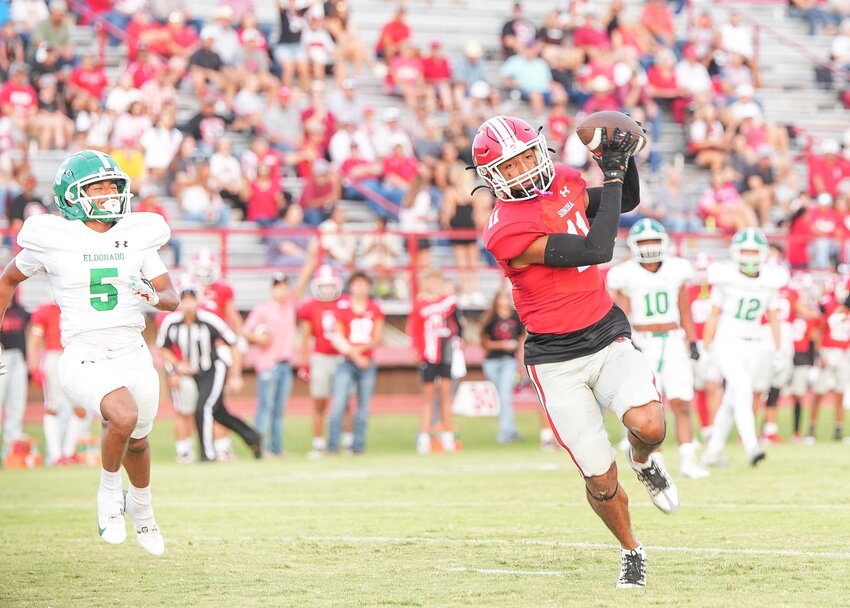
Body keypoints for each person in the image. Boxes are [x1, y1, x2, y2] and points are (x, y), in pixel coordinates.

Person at [476, 114, 669, 588]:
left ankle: (643, 461)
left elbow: (626, 201)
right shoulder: (504, 230)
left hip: (604, 330)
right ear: (491, 177)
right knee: (600, 480)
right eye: (509, 163)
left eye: (525, 155)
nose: (522, 168)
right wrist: (614, 167)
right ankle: (631, 549)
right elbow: (596, 247)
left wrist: (621, 161)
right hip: (555, 358)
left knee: (650, 425)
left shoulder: (564, 179)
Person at [0, 149, 179, 555]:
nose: (108, 194)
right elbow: (7, 280)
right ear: (70, 196)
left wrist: (154, 294)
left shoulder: (136, 235)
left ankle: (143, 512)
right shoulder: (53, 239)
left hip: (132, 351)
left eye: (113, 186)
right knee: (123, 414)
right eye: (96, 187)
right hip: (84, 352)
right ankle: (108, 495)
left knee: (137, 439)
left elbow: (172, 296)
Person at [606, 219, 710, 480]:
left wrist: (692, 341)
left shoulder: (676, 270)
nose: (650, 247)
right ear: (633, 246)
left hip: (673, 339)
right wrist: (626, 342)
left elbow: (683, 307)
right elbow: (621, 313)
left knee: (682, 401)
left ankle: (688, 459)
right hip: (643, 341)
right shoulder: (626, 273)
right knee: (653, 407)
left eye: (653, 241)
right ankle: (658, 461)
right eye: (644, 242)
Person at [701, 228, 787, 468]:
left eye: (753, 251)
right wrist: (707, 350)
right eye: (745, 251)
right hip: (727, 341)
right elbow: (714, 315)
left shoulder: (770, 279)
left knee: (732, 398)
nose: (749, 256)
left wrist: (778, 350)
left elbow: (773, 317)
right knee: (742, 387)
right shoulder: (724, 276)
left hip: (754, 343)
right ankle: (751, 447)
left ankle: (713, 452)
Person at [158, 287, 261, 462]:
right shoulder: (172, 323)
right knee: (219, 413)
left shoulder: (210, 320)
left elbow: (234, 343)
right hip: (193, 373)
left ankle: (207, 454)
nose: (188, 303)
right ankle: (252, 437)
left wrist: (236, 374)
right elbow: (162, 347)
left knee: (203, 408)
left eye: (191, 299)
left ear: (198, 301)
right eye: (185, 299)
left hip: (214, 369)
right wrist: (177, 365)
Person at [243, 248, 317, 457]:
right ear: (272, 289)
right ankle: (259, 447)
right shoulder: (263, 309)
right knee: (264, 408)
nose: (282, 291)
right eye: (278, 287)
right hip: (268, 363)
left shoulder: (289, 306)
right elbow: (246, 331)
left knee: (278, 410)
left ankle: (276, 447)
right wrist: (259, 338)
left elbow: (302, 282)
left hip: (285, 363)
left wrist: (310, 262)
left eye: (285, 287)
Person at [327, 272, 385, 454]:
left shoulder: (374, 308)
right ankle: (332, 446)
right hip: (346, 361)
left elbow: (378, 337)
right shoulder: (342, 307)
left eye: (363, 284)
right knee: (338, 404)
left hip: (367, 362)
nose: (360, 288)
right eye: (356, 284)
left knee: (363, 407)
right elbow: (337, 335)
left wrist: (360, 353)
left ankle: (358, 445)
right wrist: (355, 355)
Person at [28, 300, 91, 466]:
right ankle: (56, 456)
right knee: (53, 407)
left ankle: (68, 453)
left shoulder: (77, 306)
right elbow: (35, 341)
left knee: (80, 409)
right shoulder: (46, 311)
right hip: (54, 358)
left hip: (75, 357)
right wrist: (34, 368)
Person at [408, 270, 462, 455]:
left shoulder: (448, 301)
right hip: (428, 354)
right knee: (428, 397)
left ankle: (447, 437)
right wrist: (415, 349)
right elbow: (414, 328)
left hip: (446, 351)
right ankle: (424, 437)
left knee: (446, 395)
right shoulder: (420, 304)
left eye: (437, 281)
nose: (434, 285)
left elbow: (453, 302)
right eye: (430, 281)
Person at [297, 265, 347, 458]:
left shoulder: (344, 304)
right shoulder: (310, 307)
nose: (327, 290)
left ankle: (347, 442)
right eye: (323, 286)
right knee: (319, 402)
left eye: (330, 286)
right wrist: (304, 363)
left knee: (345, 403)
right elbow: (306, 337)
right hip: (321, 357)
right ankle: (318, 443)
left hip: (342, 358)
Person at [807, 280, 850, 442]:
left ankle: (838, 431)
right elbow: (816, 332)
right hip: (827, 352)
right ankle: (811, 430)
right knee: (819, 392)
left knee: (840, 393)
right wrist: (820, 355)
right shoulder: (829, 306)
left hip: (844, 353)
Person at [479, 289, 524, 444]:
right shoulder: (490, 318)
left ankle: (507, 431)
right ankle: (509, 429)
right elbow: (484, 343)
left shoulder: (515, 317)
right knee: (502, 397)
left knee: (505, 396)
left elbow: (521, 341)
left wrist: (521, 365)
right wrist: (501, 345)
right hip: (492, 362)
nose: (504, 301)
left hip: (509, 361)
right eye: (502, 298)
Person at [0, 295, 28, 461]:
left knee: (16, 404)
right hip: (2, 356)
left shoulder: (20, 310)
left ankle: (10, 450)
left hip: (18, 358)